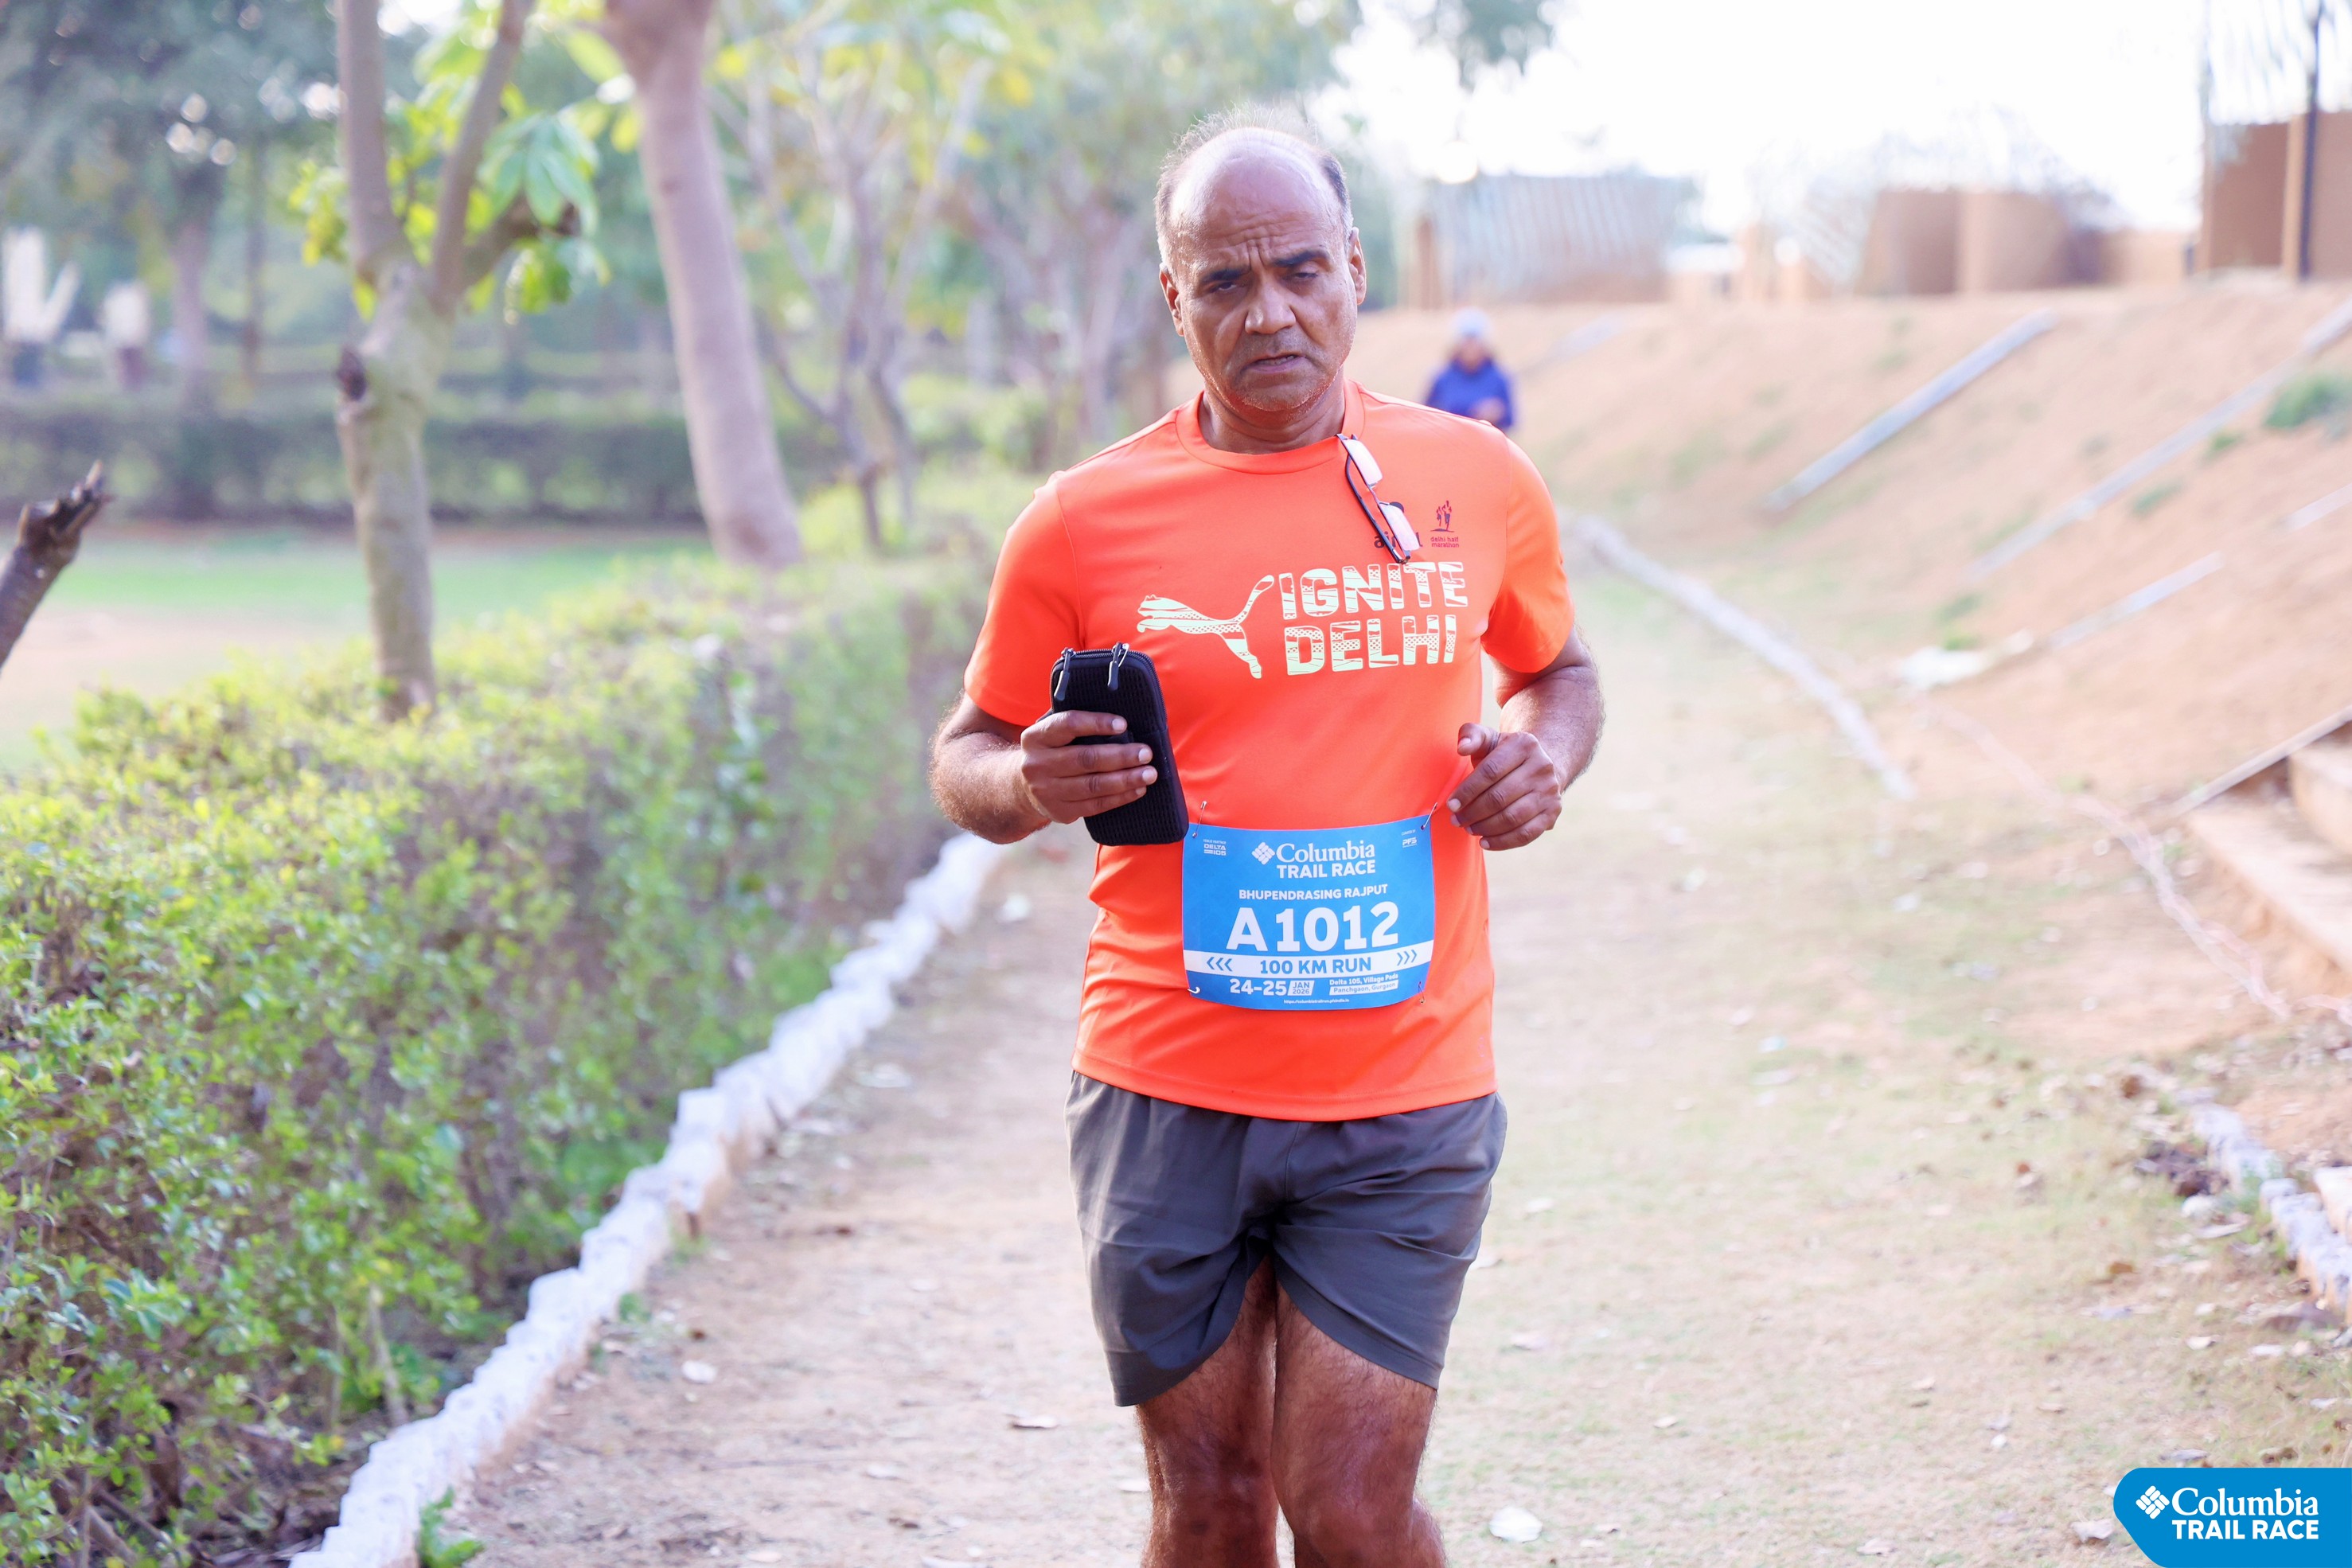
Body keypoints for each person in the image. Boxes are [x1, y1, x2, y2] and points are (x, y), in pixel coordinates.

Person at [930, 108, 1602, 1566]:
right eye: (1224, 282)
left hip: (1404, 1088)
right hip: (1163, 1082)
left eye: (1299, 269)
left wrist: (1539, 762)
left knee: (1349, 1512)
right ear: (1173, 298)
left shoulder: (1476, 476)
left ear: (1355, 268)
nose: (1270, 312)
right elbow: (965, 754)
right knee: (1210, 1507)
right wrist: (1028, 780)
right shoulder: (1081, 522)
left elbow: (1559, 671)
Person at [1423, 309, 1513, 430]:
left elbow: (1510, 420)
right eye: (1466, 341)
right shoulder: (1442, 378)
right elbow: (1424, 416)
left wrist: (1496, 414)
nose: (1470, 347)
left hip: (1485, 440)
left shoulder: (1499, 379)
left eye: (1475, 341)